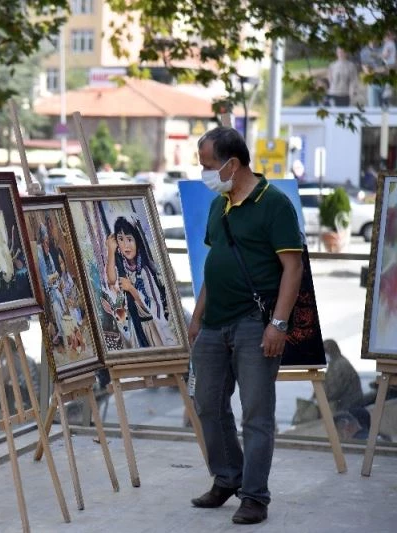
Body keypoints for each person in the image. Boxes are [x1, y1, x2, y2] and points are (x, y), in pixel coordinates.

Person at [189, 127, 303, 525]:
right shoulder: (218, 205)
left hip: (255, 323)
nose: (204, 173)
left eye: (208, 165)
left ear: (232, 164)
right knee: (207, 403)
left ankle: (254, 496)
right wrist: (197, 316)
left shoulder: (275, 205)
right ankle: (227, 477)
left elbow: (293, 269)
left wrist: (278, 324)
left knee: (256, 413)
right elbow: (214, 263)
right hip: (214, 324)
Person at [105, 215, 173, 348]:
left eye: (129, 239)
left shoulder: (145, 271)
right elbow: (112, 279)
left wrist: (131, 288)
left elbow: (152, 308)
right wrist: (111, 251)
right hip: (135, 327)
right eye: (121, 239)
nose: (126, 245)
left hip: (152, 328)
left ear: (137, 241)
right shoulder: (123, 266)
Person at [360, 39, 384, 107]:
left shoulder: (384, 49)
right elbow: (366, 70)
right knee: (373, 108)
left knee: (385, 109)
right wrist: (377, 70)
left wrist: (373, 70)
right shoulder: (364, 51)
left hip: (384, 83)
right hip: (372, 83)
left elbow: (388, 68)